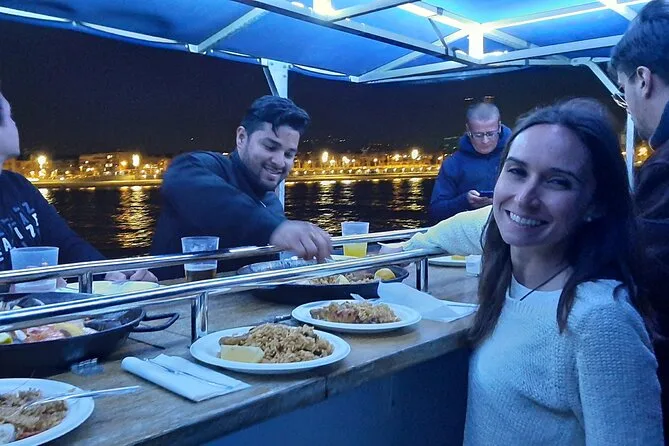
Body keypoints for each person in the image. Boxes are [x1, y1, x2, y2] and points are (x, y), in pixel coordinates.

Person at [467, 99, 661, 444]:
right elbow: (464, 227)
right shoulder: (510, 279)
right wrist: (406, 247)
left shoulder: (600, 321)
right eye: (517, 172)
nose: (524, 198)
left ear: (595, 204)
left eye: (557, 182)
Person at [150, 95, 331, 280]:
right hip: (172, 296)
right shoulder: (203, 167)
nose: (279, 161)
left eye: (288, 154)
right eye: (270, 147)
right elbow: (179, 178)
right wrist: (273, 228)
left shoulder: (272, 204)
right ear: (242, 138)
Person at [0, 91, 156, 284]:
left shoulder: (19, 187)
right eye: (8, 116)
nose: (15, 123)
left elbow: (68, 245)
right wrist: (13, 290)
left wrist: (112, 273)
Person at [609, 0, 669, 437]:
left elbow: (639, 276)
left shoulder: (663, 170)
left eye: (622, 91)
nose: (626, 105)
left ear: (643, 80)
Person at [428, 102, 511, 223]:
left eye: (490, 134)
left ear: (499, 127)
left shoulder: (517, 154)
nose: (485, 140)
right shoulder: (452, 164)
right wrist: (464, 201)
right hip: (470, 230)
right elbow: (436, 211)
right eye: (478, 135)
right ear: (468, 130)